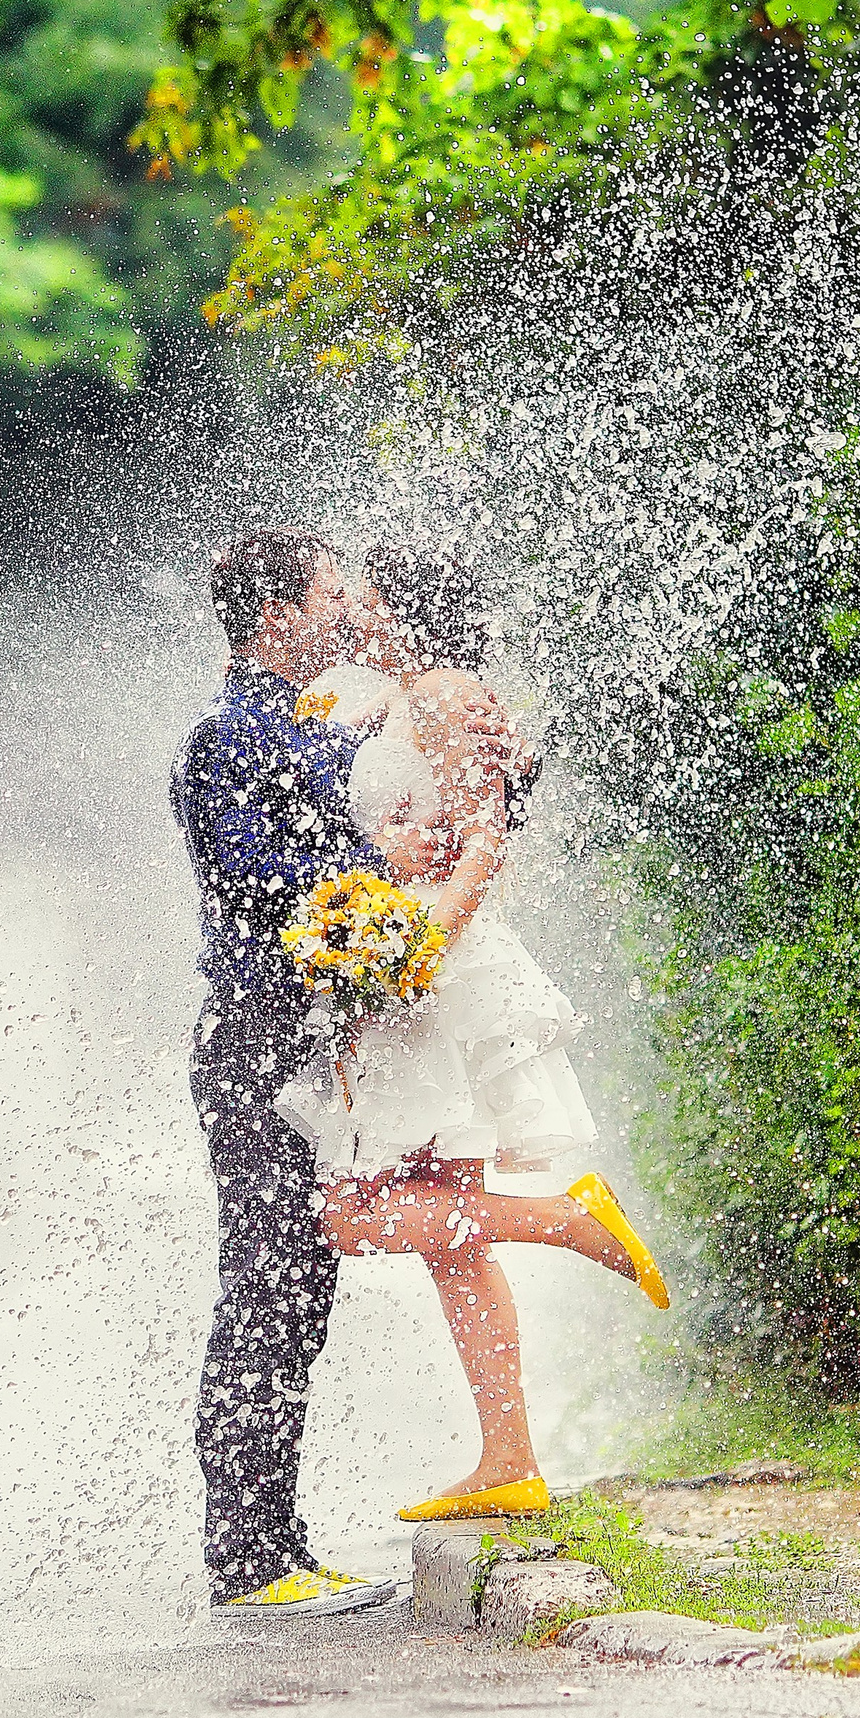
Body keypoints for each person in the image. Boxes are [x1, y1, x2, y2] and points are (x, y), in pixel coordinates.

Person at [275, 542, 669, 1523]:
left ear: (405, 609)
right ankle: (510, 1459)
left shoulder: (446, 693)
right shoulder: (396, 693)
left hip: (438, 972)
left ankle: (569, 1221)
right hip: (410, 958)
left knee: (350, 1212)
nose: (351, 612)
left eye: (364, 597)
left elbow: (484, 839)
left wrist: (415, 945)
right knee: (451, 1236)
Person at [170, 528, 524, 1615]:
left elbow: (397, 770)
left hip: (320, 1038)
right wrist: (374, 863)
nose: (344, 608)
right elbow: (251, 877)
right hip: (252, 1038)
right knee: (265, 1284)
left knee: (302, 1287)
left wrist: (467, 735)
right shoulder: (223, 736)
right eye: (328, 593)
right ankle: (248, 1559)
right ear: (276, 614)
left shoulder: (316, 716)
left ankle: (282, 1545)